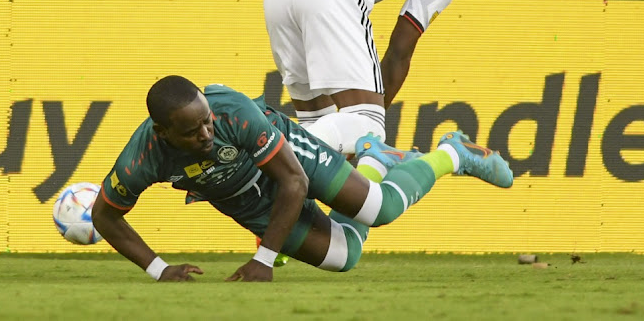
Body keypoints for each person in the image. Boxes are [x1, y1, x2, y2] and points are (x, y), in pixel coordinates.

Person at [92, 75, 513, 282]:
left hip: (287, 160)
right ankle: (374, 160)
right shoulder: (141, 158)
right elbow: (106, 216)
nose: (206, 133)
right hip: (243, 199)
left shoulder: (234, 111)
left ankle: (451, 154)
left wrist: (263, 260)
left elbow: (292, 180)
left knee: (378, 209)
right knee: (344, 257)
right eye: (191, 131)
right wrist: (158, 269)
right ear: (162, 133)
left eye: (206, 121)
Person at [262, 0, 492, 178]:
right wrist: (373, 119)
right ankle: (262, 162)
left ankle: (254, 154)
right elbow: (399, 52)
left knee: (317, 132)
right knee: (366, 125)